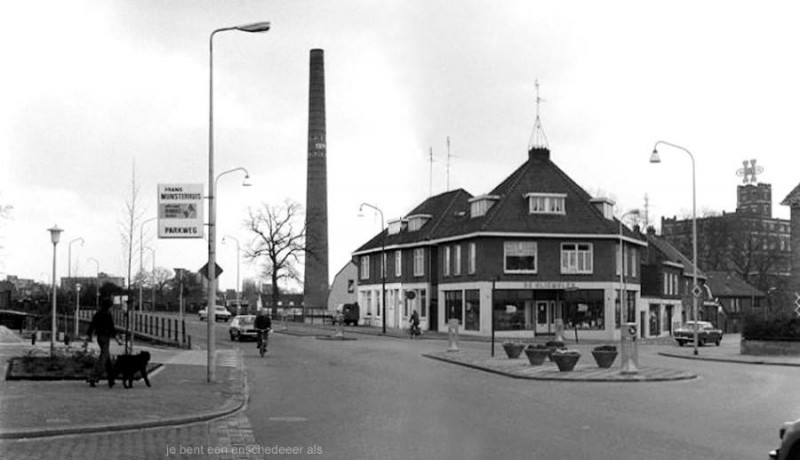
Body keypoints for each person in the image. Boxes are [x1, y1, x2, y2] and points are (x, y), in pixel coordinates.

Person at [86, 297, 122, 387]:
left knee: (107, 358)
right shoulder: (107, 315)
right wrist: (117, 338)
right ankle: (93, 376)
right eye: (111, 306)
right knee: (103, 358)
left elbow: (92, 325)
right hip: (105, 337)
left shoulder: (98, 314)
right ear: (108, 306)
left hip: (99, 337)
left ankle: (111, 378)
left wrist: (89, 335)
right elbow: (111, 327)